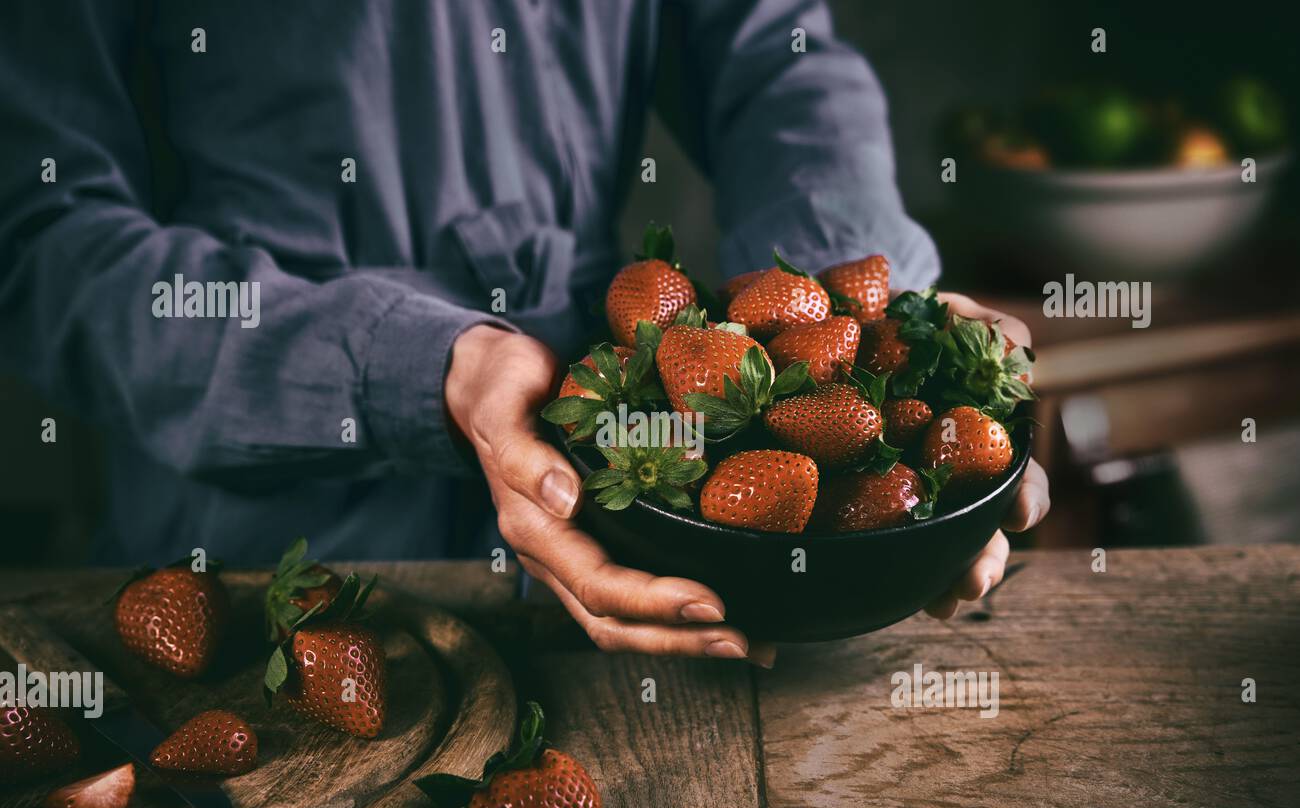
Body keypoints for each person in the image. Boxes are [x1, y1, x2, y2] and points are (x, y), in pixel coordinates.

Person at [0, 1, 1048, 665]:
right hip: (259, 561)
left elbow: (772, 53)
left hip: (617, 477)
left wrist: (856, 311)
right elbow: (39, 233)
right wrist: (411, 365)